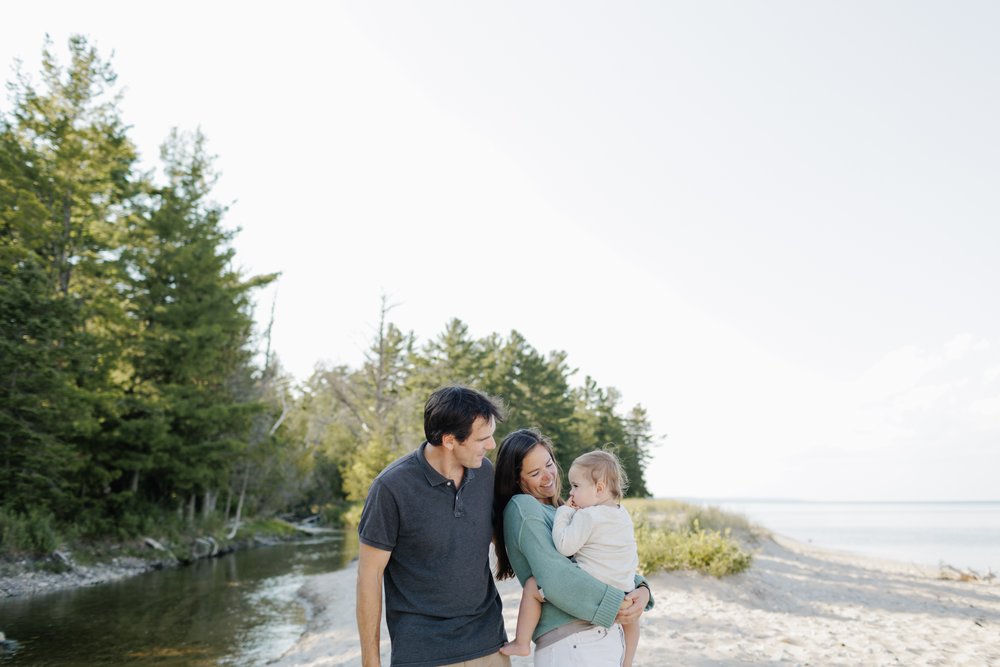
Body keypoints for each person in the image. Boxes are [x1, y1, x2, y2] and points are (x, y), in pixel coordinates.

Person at [357, 385, 509, 667]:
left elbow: (507, 538)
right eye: (482, 439)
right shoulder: (390, 488)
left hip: (489, 645)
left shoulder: (486, 474)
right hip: (422, 653)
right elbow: (369, 577)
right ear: (450, 440)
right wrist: (371, 661)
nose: (491, 446)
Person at [493, 429, 652, 666]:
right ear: (517, 480)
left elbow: (602, 559)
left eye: (549, 465)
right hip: (573, 643)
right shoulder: (524, 507)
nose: (548, 476)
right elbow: (557, 576)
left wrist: (641, 589)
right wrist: (618, 602)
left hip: (600, 637)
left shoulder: (567, 511)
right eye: (535, 473)